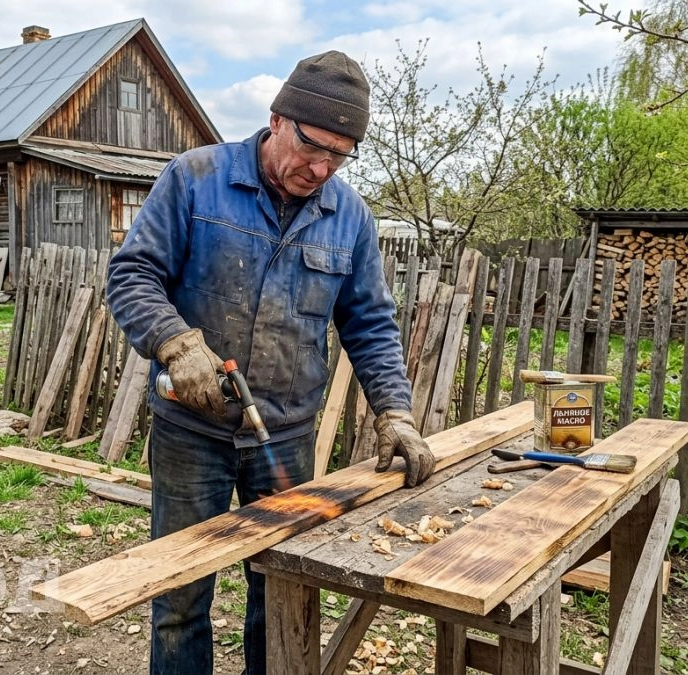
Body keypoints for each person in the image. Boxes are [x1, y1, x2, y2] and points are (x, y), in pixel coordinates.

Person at [105, 49, 434, 675]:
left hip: (284, 437)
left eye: (340, 155)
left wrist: (395, 412)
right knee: (178, 595)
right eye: (313, 147)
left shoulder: (349, 218)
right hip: (190, 431)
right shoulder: (195, 178)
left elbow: (368, 322)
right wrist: (174, 341)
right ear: (278, 119)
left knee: (282, 592)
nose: (321, 167)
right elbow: (131, 275)